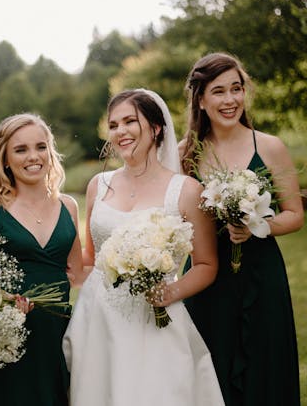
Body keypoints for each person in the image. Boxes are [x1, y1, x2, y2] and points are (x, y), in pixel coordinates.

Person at [63, 89, 226, 406]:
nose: (120, 131)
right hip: (98, 318)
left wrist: (171, 292)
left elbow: (206, 265)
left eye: (129, 121)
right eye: (113, 125)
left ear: (156, 128)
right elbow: (91, 260)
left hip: (155, 315)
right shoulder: (100, 185)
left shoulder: (187, 191)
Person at [180, 52, 304, 405]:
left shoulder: (268, 146)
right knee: (210, 369)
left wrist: (257, 225)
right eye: (218, 91)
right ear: (201, 100)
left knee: (265, 369)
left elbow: (295, 214)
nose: (231, 99)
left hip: (261, 278)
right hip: (208, 281)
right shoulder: (184, 154)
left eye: (237, 88)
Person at [0, 113, 84, 406]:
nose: (33, 156)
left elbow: (77, 272)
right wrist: (3, 301)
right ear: (5, 159)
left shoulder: (68, 206)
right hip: (9, 332)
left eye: (41, 147)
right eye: (21, 149)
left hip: (57, 331)